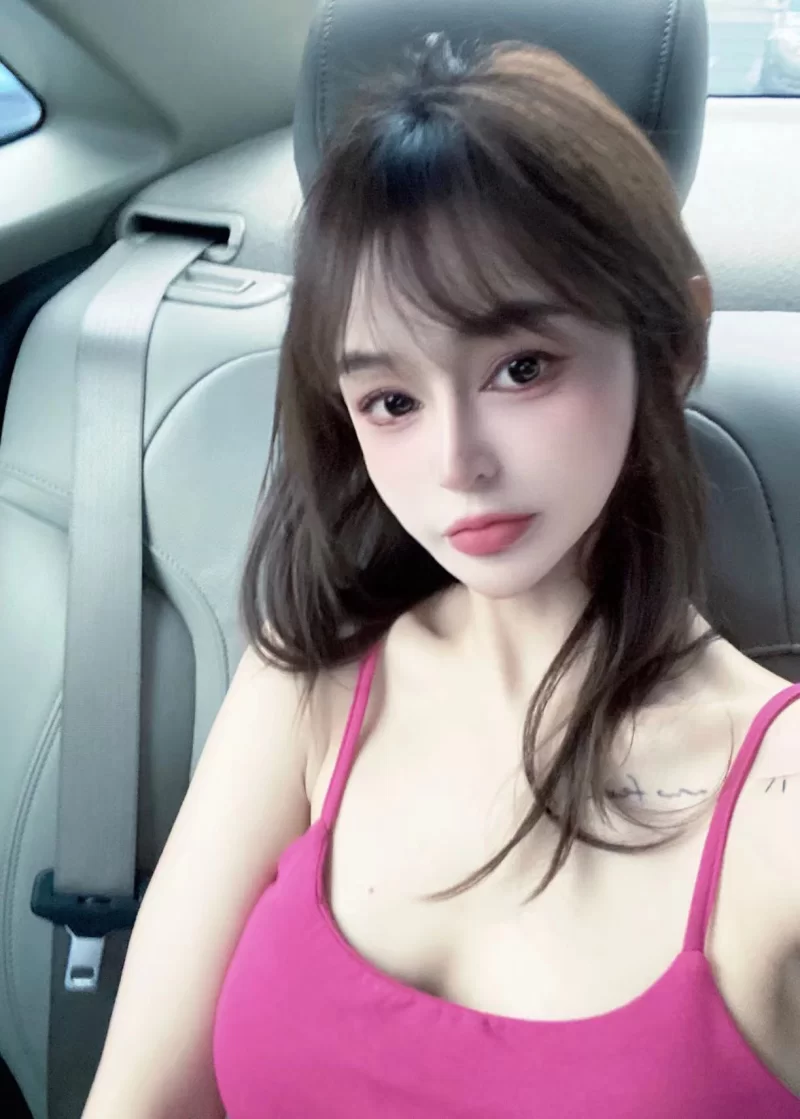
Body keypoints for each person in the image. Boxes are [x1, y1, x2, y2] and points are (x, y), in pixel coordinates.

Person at [82, 37, 800, 1118]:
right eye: (392, 402)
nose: (456, 462)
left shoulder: (777, 799)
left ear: (671, 342)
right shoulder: (309, 685)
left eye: (521, 368)